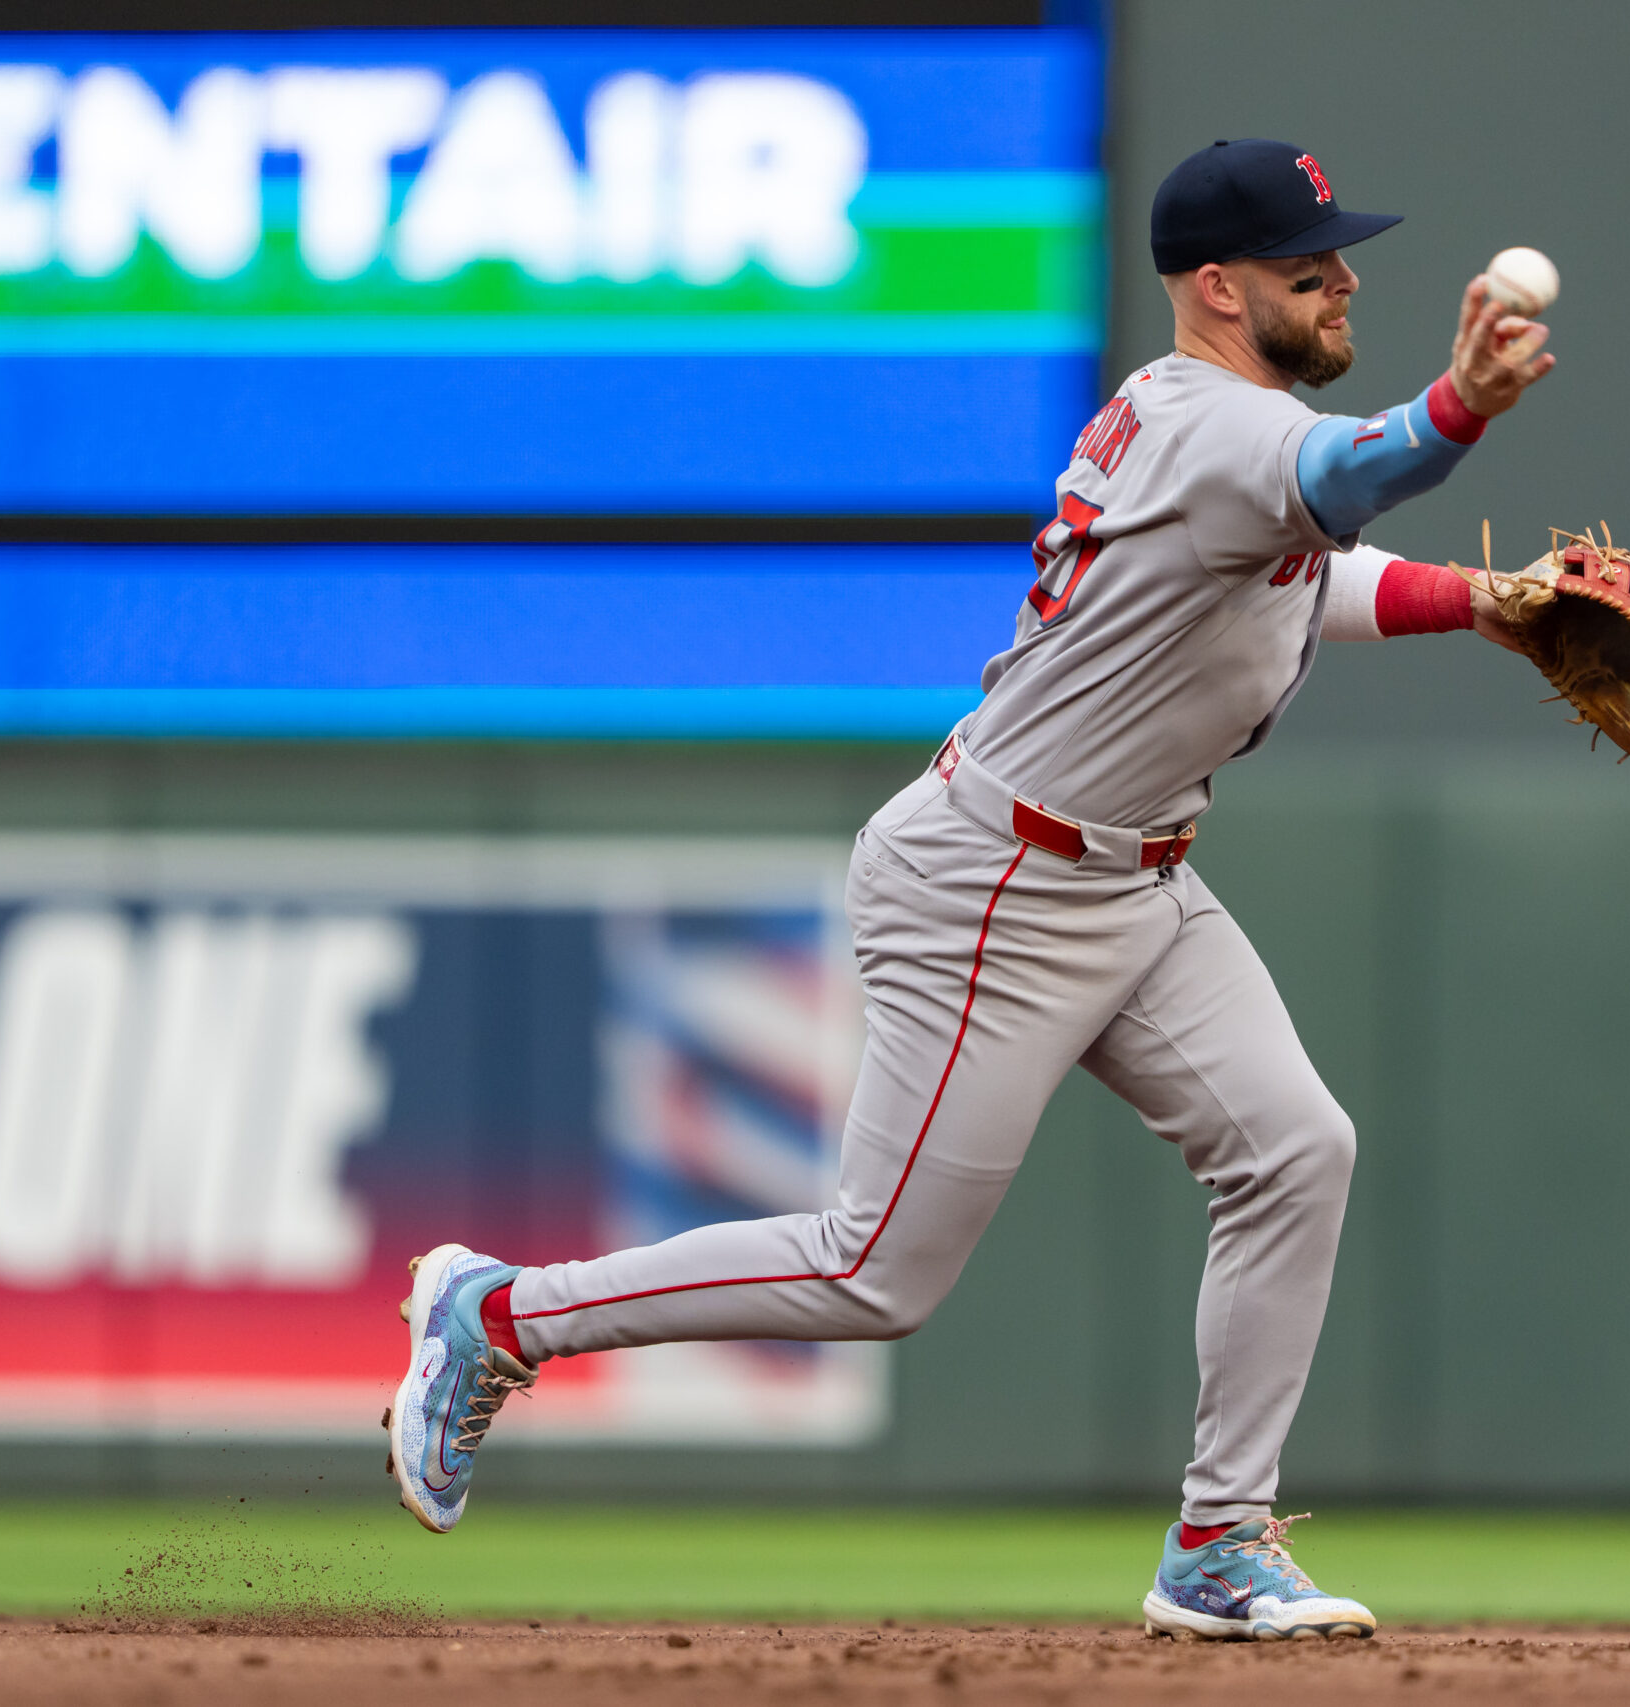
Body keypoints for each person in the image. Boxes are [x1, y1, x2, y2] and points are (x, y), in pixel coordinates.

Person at [385, 136, 1554, 1642]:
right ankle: (496, 1316)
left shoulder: (1218, 432)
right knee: (873, 1273)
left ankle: (1217, 1541)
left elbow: (1296, 573)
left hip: (1128, 875)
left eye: (1339, 254)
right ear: (1215, 288)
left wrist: (1485, 603)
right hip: (998, 882)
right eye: (1303, 263)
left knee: (1294, 1150)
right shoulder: (1226, 432)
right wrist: (1459, 409)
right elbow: (1350, 476)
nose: (1341, 280)